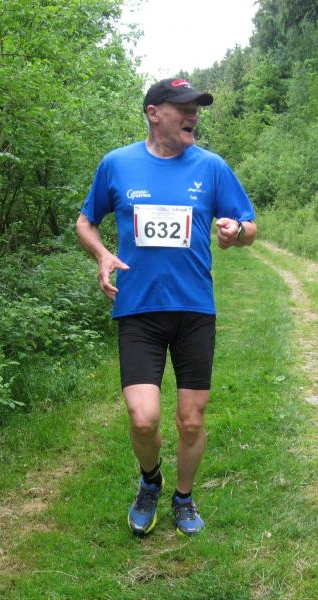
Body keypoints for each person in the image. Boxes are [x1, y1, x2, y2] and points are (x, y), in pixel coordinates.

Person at [76, 77, 257, 537]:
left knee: (191, 421)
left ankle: (183, 497)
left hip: (194, 310)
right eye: (183, 107)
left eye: (196, 107)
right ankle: (150, 480)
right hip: (138, 310)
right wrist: (102, 255)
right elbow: (85, 222)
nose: (193, 115)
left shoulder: (211, 167)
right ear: (154, 113)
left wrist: (236, 232)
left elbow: (249, 225)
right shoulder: (117, 164)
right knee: (143, 418)